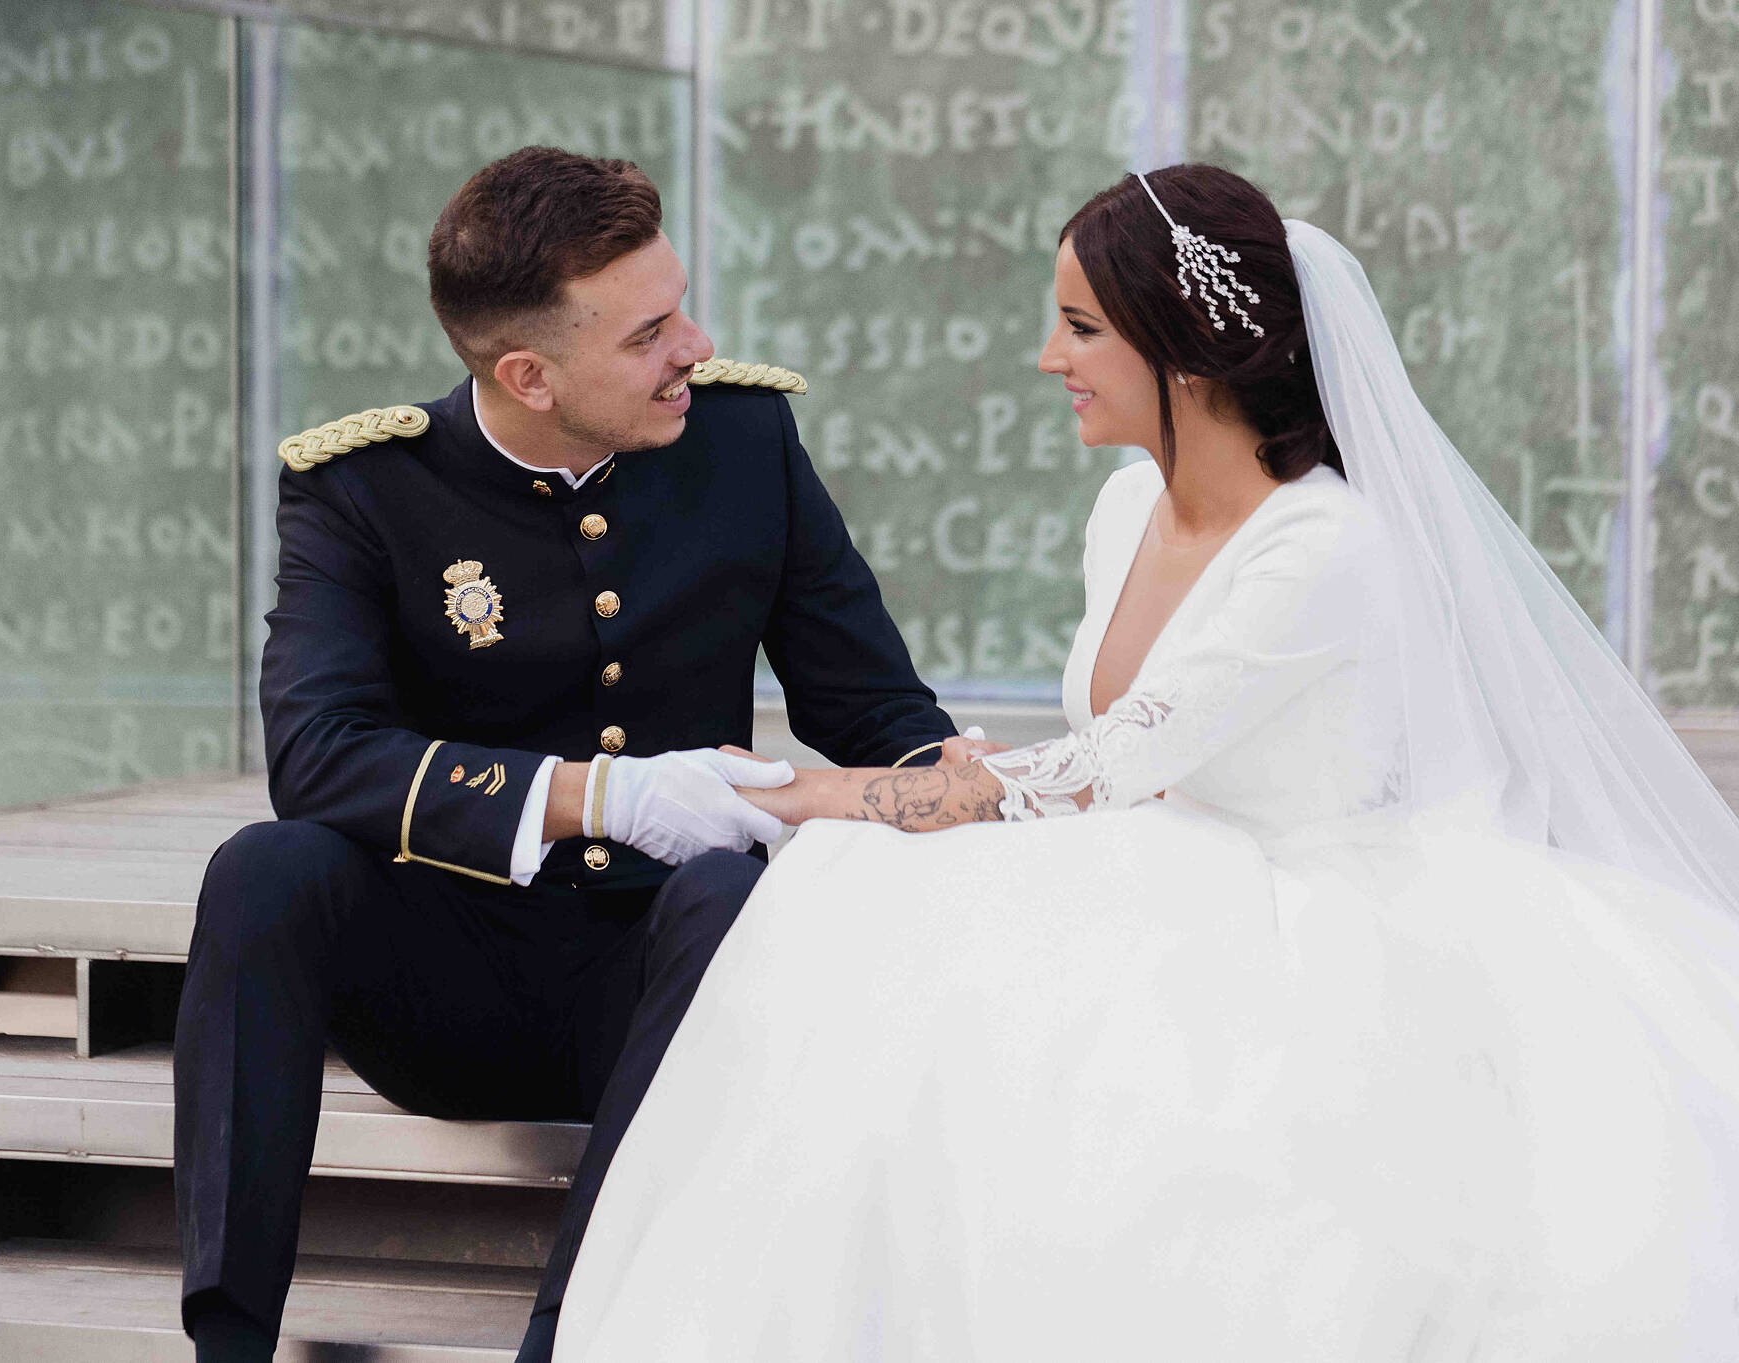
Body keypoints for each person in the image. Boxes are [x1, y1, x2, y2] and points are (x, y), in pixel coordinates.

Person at [553, 164, 1739, 1360]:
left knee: (879, 899)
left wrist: (814, 789)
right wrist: (913, 797)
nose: (1046, 358)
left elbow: (1107, 763)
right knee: (871, 922)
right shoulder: (1123, 511)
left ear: (1185, 354)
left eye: (1078, 328)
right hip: (1164, 858)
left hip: (1318, 905)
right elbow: (1119, 769)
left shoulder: (1325, 544)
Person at [171, 146, 956, 1362]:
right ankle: (227, 1340)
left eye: (680, 305)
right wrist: (604, 793)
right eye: (649, 333)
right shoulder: (365, 490)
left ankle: (567, 1337)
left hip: (668, 978)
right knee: (262, 868)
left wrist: (986, 782)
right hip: (449, 981)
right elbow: (318, 755)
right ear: (527, 373)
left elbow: (873, 712)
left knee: (729, 888)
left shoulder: (743, 442)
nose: (691, 344)